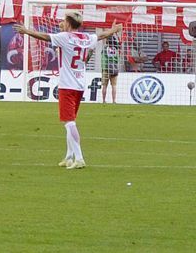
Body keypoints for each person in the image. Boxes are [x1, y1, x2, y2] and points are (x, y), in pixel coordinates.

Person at [13, 11, 122, 168]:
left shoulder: (64, 37)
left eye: (64, 20)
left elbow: (43, 36)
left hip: (67, 85)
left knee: (69, 123)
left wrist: (26, 31)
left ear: (69, 23)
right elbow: (101, 36)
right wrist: (113, 30)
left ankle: (79, 158)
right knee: (71, 121)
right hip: (79, 85)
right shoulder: (86, 38)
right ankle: (68, 157)